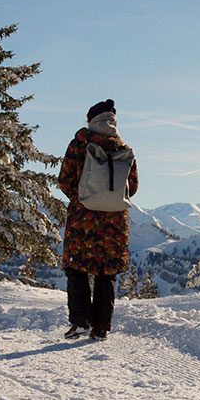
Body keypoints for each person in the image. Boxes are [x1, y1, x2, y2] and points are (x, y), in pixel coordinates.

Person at [57, 99, 139, 340]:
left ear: (91, 120)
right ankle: (101, 328)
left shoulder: (80, 144)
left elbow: (65, 179)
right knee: (106, 272)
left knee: (76, 268)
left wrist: (81, 199)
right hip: (115, 221)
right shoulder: (124, 148)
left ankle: (80, 321)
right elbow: (132, 187)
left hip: (84, 218)